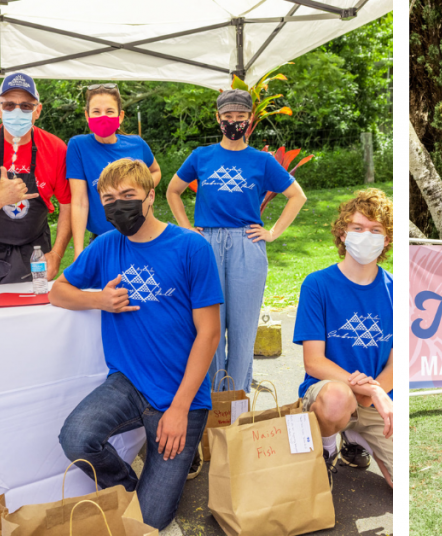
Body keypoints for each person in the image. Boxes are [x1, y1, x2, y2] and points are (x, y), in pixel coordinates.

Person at [50, 159, 222, 529]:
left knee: (152, 521)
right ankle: (130, 487)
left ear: (150, 195)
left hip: (181, 394)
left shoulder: (192, 246)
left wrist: (179, 408)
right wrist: (99, 300)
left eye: (128, 195)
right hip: (128, 382)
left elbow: (209, 334)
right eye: (109, 199)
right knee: (77, 439)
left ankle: (154, 489)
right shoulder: (106, 245)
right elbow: (58, 291)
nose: (119, 204)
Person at [166, 89, 307, 395]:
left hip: (247, 242)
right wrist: (187, 228)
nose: (234, 123)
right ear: (218, 119)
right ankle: (215, 399)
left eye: (240, 118)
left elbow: (297, 196)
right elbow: (172, 190)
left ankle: (237, 401)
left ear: (249, 119)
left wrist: (273, 232)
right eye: (228, 117)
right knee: (210, 326)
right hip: (208, 243)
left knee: (243, 331)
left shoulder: (262, 161)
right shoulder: (201, 156)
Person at [294, 188, 393, 489]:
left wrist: (373, 392)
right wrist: (370, 391)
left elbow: (399, 361)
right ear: (342, 233)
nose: (367, 235)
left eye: (376, 230)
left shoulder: (398, 290)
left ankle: (356, 435)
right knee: (338, 399)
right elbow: (314, 362)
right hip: (331, 393)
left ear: (387, 239)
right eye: (358, 228)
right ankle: (327, 450)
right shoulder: (317, 285)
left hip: (373, 398)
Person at [0, 72, 71, 286]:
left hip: (36, 254)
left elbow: (69, 205)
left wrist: (56, 254)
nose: (17, 111)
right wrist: (0, 199)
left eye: (26, 106)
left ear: (38, 110)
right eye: (9, 105)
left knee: (34, 317)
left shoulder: (56, 149)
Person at [68, 83, 161, 256]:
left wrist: (143, 189)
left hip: (141, 235)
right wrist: (79, 251)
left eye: (109, 111)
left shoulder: (137, 144)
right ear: (87, 116)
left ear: (120, 116)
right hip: (101, 240)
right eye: (96, 111)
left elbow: (155, 171)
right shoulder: (78, 146)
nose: (103, 116)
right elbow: (79, 201)